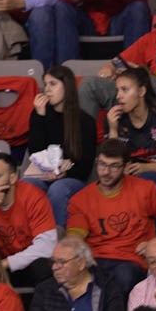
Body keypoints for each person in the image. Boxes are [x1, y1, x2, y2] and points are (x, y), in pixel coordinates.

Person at [0, 153, 57, 290]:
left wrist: (7, 263)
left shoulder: (33, 197)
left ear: (12, 178)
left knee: (43, 267)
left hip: (25, 264)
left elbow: (47, 247)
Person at [23, 67, 96, 229]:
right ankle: (29, 236)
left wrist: (66, 172)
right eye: (45, 84)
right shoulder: (38, 114)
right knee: (26, 184)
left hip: (72, 180)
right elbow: (35, 153)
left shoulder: (85, 121)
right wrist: (40, 117)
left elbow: (85, 166)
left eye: (53, 84)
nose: (47, 90)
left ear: (67, 86)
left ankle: (56, 237)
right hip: (43, 176)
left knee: (59, 188)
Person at [100, 67, 156, 197]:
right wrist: (112, 129)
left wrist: (145, 168)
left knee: (147, 179)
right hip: (128, 183)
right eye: (117, 90)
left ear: (141, 91)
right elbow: (111, 167)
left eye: (125, 90)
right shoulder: (114, 119)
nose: (118, 96)